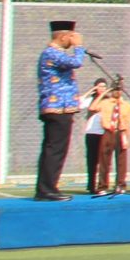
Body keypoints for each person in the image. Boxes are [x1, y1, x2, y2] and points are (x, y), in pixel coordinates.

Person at [33, 20, 88, 201]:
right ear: (63, 36)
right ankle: (46, 189)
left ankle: (50, 187)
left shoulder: (55, 53)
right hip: (57, 108)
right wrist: (79, 47)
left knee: (57, 149)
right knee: (54, 149)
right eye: (70, 37)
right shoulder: (51, 53)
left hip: (63, 108)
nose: (71, 41)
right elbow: (76, 62)